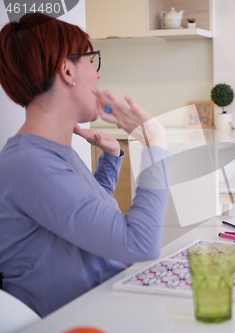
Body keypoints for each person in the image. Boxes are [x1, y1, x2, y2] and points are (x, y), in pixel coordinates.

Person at [0, 13, 170, 317]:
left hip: (107, 303)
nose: (97, 75)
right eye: (92, 61)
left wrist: (111, 157)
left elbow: (81, 216)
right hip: (80, 319)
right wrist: (154, 143)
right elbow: (139, 243)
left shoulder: (47, 154)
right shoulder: (30, 164)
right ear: (67, 70)